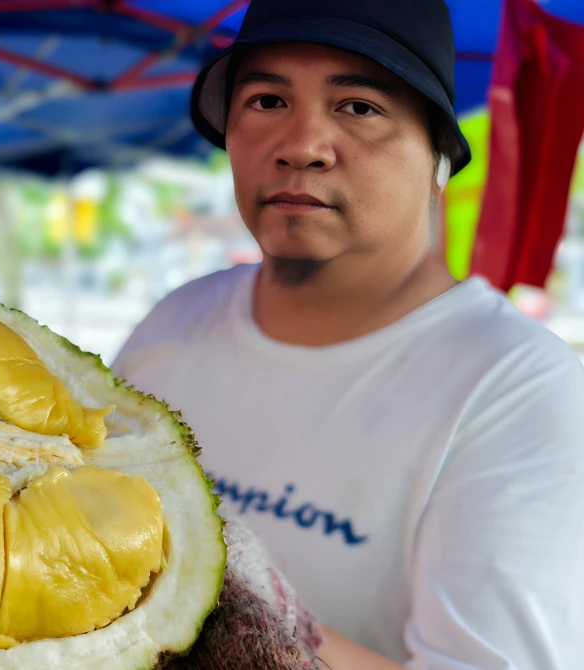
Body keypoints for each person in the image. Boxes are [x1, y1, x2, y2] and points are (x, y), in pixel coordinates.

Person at [112, 0, 584, 668]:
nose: (301, 146)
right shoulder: (173, 324)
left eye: (359, 106)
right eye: (268, 100)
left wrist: (239, 615)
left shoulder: (514, 386)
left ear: (439, 158)